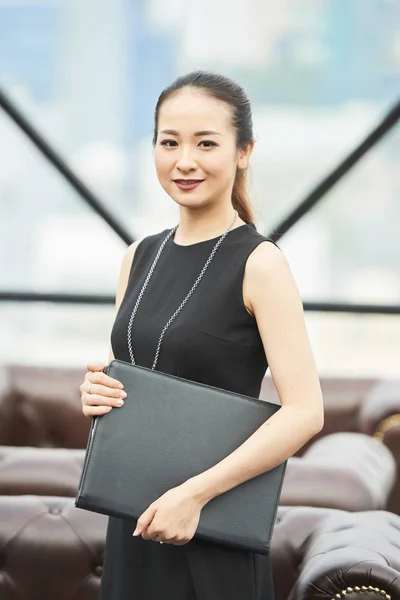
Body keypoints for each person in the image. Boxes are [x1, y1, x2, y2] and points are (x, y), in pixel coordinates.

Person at [80, 71, 324, 600]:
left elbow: (306, 411)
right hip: (134, 517)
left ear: (244, 152)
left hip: (210, 523)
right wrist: (98, 394)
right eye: (169, 142)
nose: (184, 160)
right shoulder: (138, 256)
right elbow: (133, 382)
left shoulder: (260, 263)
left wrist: (194, 496)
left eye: (205, 143)